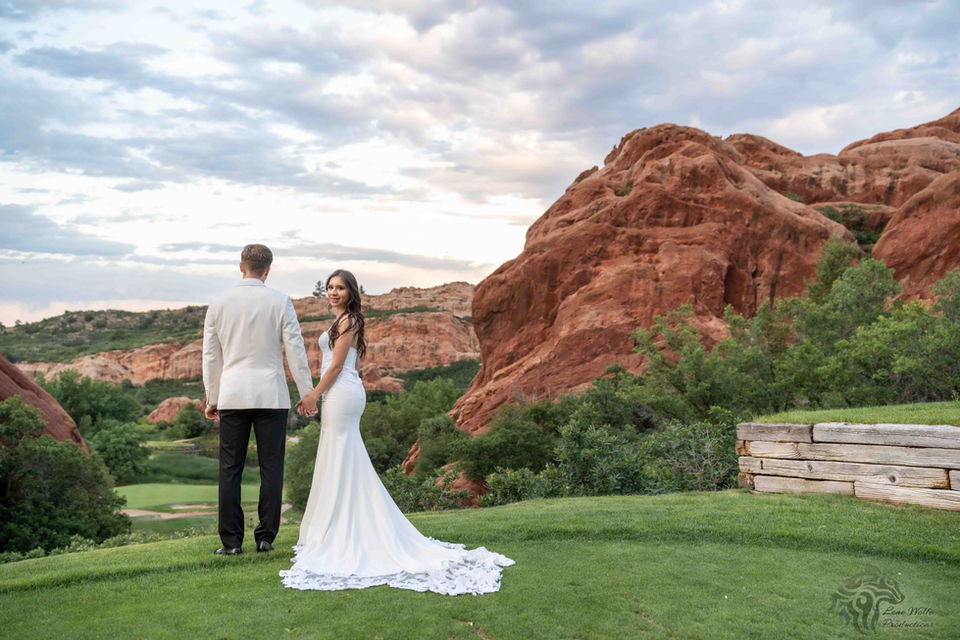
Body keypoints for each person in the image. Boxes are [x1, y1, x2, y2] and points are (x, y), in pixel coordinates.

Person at [280, 269, 514, 595]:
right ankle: (336, 526)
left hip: (342, 392)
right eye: (330, 288)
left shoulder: (350, 321)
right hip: (338, 392)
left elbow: (336, 366)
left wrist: (313, 395)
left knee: (342, 454)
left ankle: (347, 529)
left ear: (351, 293)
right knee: (339, 456)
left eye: (340, 288)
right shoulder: (339, 321)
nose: (333, 292)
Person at [202, 244, 315, 556]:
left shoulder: (218, 302)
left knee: (229, 469)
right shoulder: (280, 301)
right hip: (271, 395)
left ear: (241, 266)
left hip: (232, 394)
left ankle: (231, 543)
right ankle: (265, 537)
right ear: (268, 269)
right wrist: (307, 393)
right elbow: (296, 349)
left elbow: (211, 356)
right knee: (271, 469)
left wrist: (212, 397)